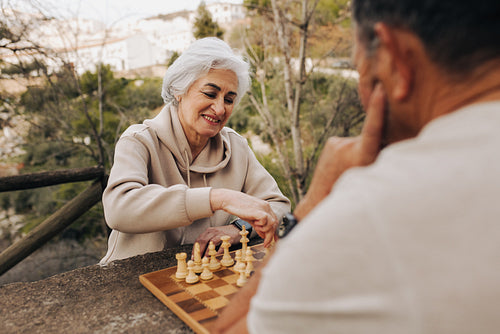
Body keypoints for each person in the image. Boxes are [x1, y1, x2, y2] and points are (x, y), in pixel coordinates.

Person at [213, 0, 500, 332]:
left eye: (359, 66)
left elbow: (229, 329)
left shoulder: (373, 208)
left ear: (395, 58)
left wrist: (315, 202)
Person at [99, 37, 290, 264]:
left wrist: (238, 229)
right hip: (135, 279)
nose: (220, 109)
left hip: (207, 276)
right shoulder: (138, 140)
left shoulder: (237, 146)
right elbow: (119, 209)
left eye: (229, 99)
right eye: (210, 94)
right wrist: (217, 198)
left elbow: (277, 207)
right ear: (179, 90)